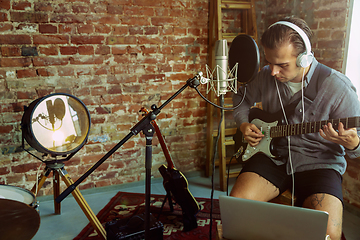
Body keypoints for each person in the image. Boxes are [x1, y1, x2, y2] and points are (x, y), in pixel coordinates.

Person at [231, 16, 360, 240]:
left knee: (328, 234)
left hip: (319, 162)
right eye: (269, 62)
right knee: (237, 210)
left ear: (304, 59)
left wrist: (353, 144)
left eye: (282, 65)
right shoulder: (266, 76)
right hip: (273, 155)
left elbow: (358, 142)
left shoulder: (339, 88)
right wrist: (243, 124)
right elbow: (240, 98)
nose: (272, 71)